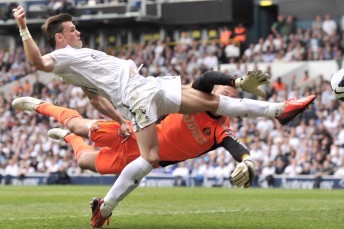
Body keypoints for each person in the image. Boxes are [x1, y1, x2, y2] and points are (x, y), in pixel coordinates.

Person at [13, 6, 316, 227]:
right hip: (137, 95)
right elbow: (38, 62)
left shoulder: (78, 60)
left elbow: (96, 99)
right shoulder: (63, 56)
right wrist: (23, 27)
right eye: (71, 29)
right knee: (150, 157)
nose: (77, 31)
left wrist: (121, 123)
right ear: (59, 37)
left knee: (210, 100)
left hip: (148, 86)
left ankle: (280, 110)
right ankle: (104, 208)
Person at [14, 74, 260, 227]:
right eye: (225, 94)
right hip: (135, 132)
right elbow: (207, 77)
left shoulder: (220, 130)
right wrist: (234, 81)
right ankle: (41, 106)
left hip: (142, 158)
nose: (229, 100)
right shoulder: (197, 97)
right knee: (79, 126)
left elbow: (235, 147)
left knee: (85, 162)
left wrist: (247, 161)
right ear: (214, 93)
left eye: (233, 99)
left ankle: (67, 138)